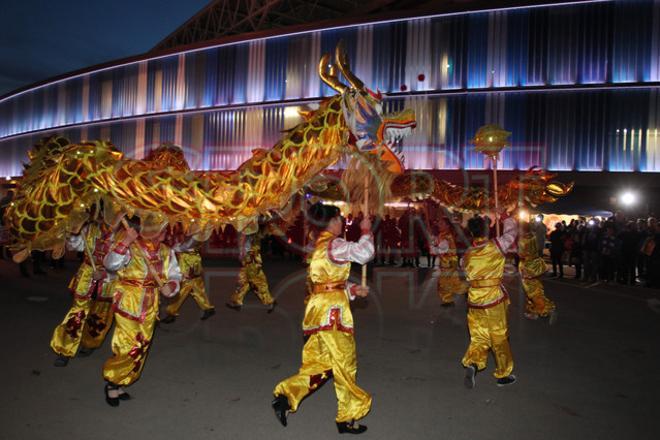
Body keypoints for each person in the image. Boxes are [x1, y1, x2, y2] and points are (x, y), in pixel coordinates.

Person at [272, 203, 374, 434]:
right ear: (330, 222)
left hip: (317, 310)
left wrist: (353, 290)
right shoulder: (334, 244)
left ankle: (286, 397)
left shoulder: (317, 247)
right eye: (339, 219)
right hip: (333, 313)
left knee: (321, 364)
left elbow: (325, 282)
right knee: (345, 364)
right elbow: (365, 254)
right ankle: (347, 416)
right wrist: (366, 231)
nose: (342, 223)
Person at [102, 218, 181, 406]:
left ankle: (122, 380)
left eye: (164, 229)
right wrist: (126, 242)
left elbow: (175, 274)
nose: (165, 233)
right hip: (128, 301)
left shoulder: (166, 251)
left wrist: (171, 286)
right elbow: (110, 264)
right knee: (127, 344)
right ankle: (112, 382)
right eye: (160, 229)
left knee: (142, 344)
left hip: (151, 303)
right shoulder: (133, 244)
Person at [461, 213, 518, 389]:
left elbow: (464, 271)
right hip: (493, 299)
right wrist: (506, 217)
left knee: (478, 336)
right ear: (488, 230)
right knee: (499, 337)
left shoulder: (467, 254)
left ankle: (473, 362)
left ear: (471, 233)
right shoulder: (497, 246)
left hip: (474, 301)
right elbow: (512, 232)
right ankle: (503, 374)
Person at [50, 219, 116, 366]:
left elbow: (128, 265)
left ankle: (89, 343)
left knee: (100, 316)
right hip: (87, 277)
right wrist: (73, 234)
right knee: (77, 313)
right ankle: (64, 349)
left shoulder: (125, 234)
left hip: (109, 281)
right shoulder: (89, 228)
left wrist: (106, 274)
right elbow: (75, 246)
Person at [161, 228, 215, 323]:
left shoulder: (200, 229)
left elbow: (187, 245)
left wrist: (174, 248)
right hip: (189, 259)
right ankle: (208, 308)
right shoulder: (192, 225)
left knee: (182, 287)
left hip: (189, 261)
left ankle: (171, 312)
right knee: (197, 286)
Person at [226, 227, 276, 312]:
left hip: (251, 257)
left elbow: (245, 239)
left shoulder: (252, 224)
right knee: (243, 280)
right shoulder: (253, 225)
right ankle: (237, 301)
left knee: (257, 281)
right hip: (250, 256)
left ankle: (269, 301)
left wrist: (242, 252)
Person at [518, 222, 556, 322]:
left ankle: (545, 309)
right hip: (536, 264)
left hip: (528, 267)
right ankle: (532, 310)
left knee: (532, 291)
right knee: (535, 288)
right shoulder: (533, 236)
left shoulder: (522, 240)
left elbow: (521, 254)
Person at [431, 217, 467, 307]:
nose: (439, 225)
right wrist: (434, 244)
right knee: (453, 282)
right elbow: (438, 248)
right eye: (439, 223)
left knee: (444, 283)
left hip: (449, 263)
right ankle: (465, 291)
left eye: (442, 223)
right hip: (447, 263)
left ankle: (449, 299)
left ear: (447, 226)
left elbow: (442, 249)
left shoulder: (447, 236)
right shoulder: (442, 235)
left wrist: (434, 248)